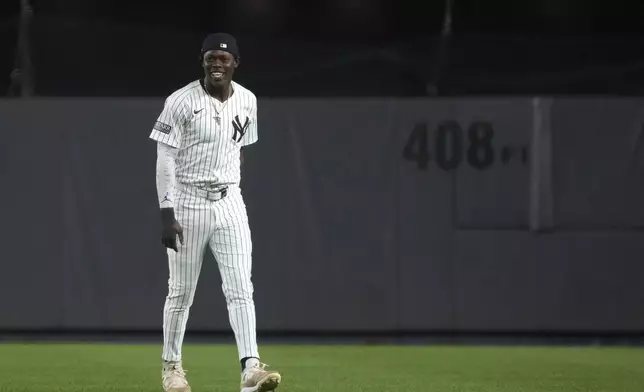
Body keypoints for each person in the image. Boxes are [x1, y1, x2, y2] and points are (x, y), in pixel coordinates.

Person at [149, 32, 281, 392]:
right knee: (181, 292)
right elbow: (165, 158)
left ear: (236, 63)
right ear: (202, 62)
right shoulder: (180, 101)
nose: (217, 63)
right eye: (211, 58)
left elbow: (238, 147)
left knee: (241, 288)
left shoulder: (248, 101)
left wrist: (229, 185)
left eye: (224, 58)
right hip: (188, 202)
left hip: (229, 201)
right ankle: (171, 368)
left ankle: (250, 368)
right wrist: (166, 211)